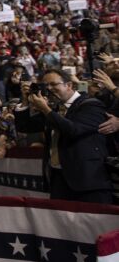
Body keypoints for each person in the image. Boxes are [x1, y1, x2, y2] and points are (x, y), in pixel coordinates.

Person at [21, 69, 112, 204]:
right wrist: (25, 101)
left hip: (88, 181)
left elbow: (73, 130)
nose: (49, 89)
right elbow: (25, 127)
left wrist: (46, 110)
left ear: (68, 85)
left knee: (96, 224)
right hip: (58, 179)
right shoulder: (56, 109)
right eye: (46, 86)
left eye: (53, 84)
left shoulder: (91, 104)